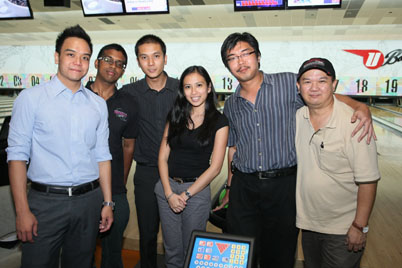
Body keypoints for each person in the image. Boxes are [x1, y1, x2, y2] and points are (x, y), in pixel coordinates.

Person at [214, 32, 375, 268]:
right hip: (244, 188)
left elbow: (321, 94)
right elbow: (234, 148)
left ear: (258, 56)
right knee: (241, 255)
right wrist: (229, 188)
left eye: (246, 53)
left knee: (279, 255)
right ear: (227, 65)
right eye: (232, 57)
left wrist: (359, 105)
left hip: (283, 187)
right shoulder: (231, 103)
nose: (241, 61)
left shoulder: (288, 83)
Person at [6, 25, 113, 268]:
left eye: (84, 57)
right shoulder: (30, 99)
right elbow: (16, 157)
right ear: (57, 57)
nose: (78, 62)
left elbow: (102, 156)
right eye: (71, 54)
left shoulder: (98, 105)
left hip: (89, 201)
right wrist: (22, 211)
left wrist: (107, 203)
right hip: (46, 203)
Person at [295, 58, 380, 268]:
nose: (314, 87)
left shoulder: (356, 124)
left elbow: (368, 181)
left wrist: (359, 226)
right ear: (298, 86)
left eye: (322, 81)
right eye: (307, 81)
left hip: (343, 229)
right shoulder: (298, 116)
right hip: (308, 225)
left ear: (334, 85)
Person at [155, 66, 229, 268]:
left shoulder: (219, 121)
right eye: (188, 87)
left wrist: (185, 195)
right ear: (182, 90)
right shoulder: (176, 116)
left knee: (192, 249)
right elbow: (162, 157)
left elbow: (215, 168)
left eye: (199, 85)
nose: (194, 92)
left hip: (196, 193)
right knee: (172, 250)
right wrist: (170, 194)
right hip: (167, 188)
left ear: (209, 88)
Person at [121, 34, 179, 268]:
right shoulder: (128, 92)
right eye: (144, 57)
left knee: (176, 236)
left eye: (156, 56)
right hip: (146, 174)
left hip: (177, 172)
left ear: (165, 58)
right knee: (147, 234)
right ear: (138, 61)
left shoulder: (181, 89)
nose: (151, 62)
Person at [86, 43, 139, 268]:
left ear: (123, 71)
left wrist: (121, 183)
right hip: (81, 187)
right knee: (81, 250)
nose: (113, 66)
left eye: (120, 64)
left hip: (115, 188)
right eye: (108, 60)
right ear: (97, 62)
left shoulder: (128, 103)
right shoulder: (77, 95)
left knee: (112, 252)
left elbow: (128, 146)